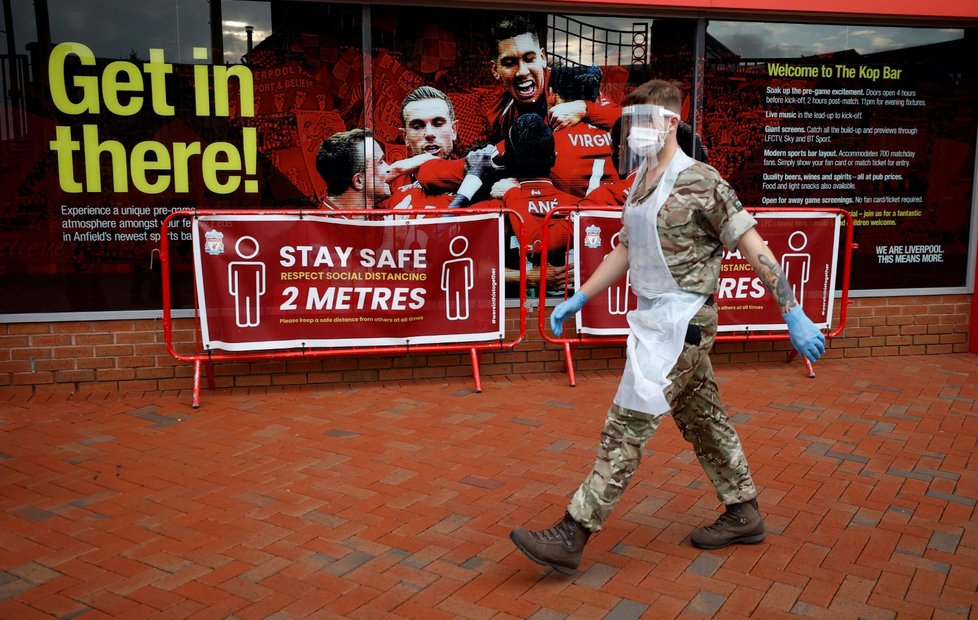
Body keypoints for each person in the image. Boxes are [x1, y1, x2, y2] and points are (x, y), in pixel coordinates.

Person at [508, 80, 826, 574]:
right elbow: (625, 249)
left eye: (644, 122)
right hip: (654, 317)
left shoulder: (702, 180)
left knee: (627, 422)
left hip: (684, 321)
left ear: (671, 122)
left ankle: (574, 530)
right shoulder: (638, 183)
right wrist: (580, 296)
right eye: (630, 123)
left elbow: (753, 246)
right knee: (703, 418)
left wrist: (792, 310)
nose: (635, 133)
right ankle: (743, 511)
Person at [486, 15, 619, 144]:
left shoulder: (569, 84)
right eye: (510, 63)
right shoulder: (498, 114)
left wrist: (585, 109)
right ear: (495, 70)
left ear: (542, 58)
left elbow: (629, 121)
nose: (522, 71)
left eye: (529, 59)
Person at [382, 87, 460, 214]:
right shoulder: (389, 187)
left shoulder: (473, 176)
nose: (429, 134)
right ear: (405, 137)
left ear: (454, 131)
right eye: (417, 126)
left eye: (438, 123)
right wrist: (396, 169)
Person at [315, 129, 392, 214]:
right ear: (358, 181)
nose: (388, 168)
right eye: (380, 162)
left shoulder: (375, 218)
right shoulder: (323, 226)